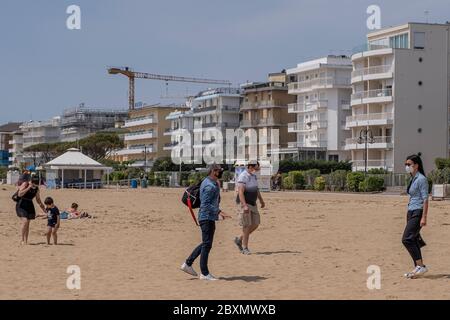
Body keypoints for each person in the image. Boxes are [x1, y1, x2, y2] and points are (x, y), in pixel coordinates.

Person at [180, 164, 231, 281]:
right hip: (206, 217)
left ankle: (188, 263)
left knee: (206, 243)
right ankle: (204, 273)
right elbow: (205, 204)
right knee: (207, 244)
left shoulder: (211, 182)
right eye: (219, 171)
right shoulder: (209, 185)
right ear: (213, 171)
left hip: (208, 217)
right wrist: (220, 212)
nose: (221, 172)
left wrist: (217, 215)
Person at [402, 154, 429, 279]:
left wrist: (424, 217)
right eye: (406, 165)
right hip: (411, 211)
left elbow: (425, 199)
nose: (407, 167)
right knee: (413, 239)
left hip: (418, 211)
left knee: (406, 239)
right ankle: (418, 267)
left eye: (409, 164)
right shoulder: (413, 178)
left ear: (416, 165)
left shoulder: (421, 179)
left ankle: (421, 266)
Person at [234, 160, 266, 255]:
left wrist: (261, 200)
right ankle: (245, 248)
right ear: (250, 167)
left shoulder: (254, 176)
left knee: (256, 224)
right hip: (246, 203)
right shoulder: (243, 176)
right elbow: (240, 192)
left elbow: (256, 189)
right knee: (247, 226)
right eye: (256, 168)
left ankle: (239, 239)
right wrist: (244, 205)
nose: (257, 170)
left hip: (253, 203)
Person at [16, 174, 46, 245]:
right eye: (34, 184)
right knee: (25, 221)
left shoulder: (36, 189)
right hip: (21, 204)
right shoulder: (25, 184)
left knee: (28, 224)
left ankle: (26, 240)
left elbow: (38, 200)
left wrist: (44, 209)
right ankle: (22, 240)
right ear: (31, 181)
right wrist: (28, 188)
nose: (35, 185)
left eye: (36, 184)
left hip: (29, 205)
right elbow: (19, 194)